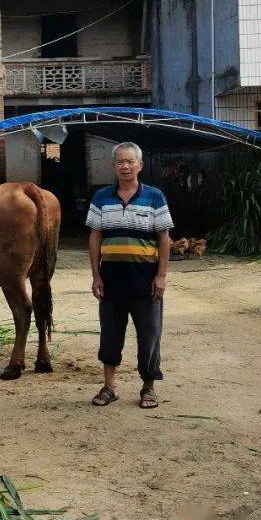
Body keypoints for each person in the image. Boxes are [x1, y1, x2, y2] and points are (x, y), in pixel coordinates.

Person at [86, 141, 173, 410]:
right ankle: (109, 387)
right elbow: (95, 236)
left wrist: (161, 276)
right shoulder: (101, 197)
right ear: (113, 166)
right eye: (120, 162)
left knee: (149, 335)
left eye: (130, 161)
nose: (125, 166)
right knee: (110, 334)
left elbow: (163, 238)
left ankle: (148, 387)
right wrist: (95, 275)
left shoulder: (155, 197)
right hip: (111, 278)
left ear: (140, 166)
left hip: (145, 279)